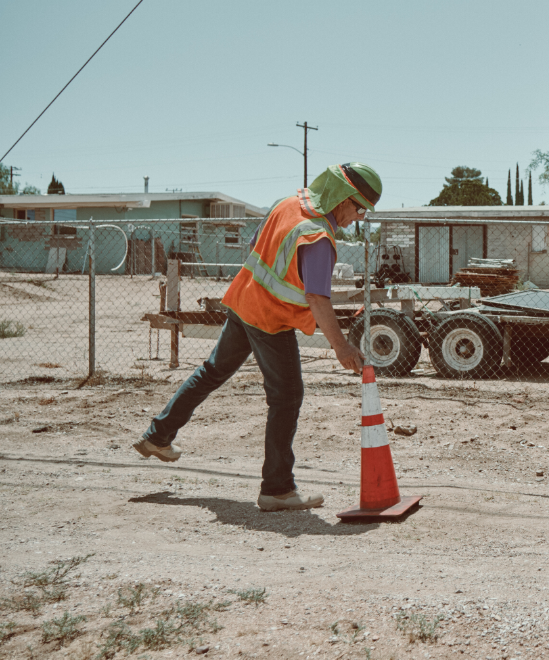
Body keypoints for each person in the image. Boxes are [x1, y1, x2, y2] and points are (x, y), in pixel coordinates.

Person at [133, 164, 382, 511]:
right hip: (270, 319)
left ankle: (157, 435)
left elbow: (255, 246)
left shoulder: (287, 204)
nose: (357, 217)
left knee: (211, 372)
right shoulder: (318, 237)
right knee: (287, 397)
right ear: (343, 197)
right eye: (359, 208)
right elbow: (316, 298)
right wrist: (341, 346)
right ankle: (277, 489)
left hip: (243, 301)